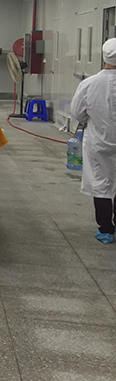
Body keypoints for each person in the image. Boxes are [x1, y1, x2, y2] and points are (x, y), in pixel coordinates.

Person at [71, 38, 116, 244]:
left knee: (101, 183)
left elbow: (77, 113)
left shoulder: (89, 84)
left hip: (98, 142)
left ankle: (106, 229)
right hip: (101, 141)